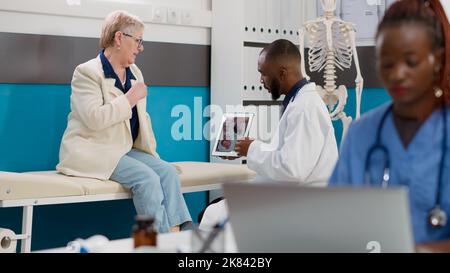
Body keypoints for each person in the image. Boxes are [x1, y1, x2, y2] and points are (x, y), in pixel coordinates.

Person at [56, 10, 192, 233]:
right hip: (94, 150)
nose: (141, 47)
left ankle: (178, 236)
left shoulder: (134, 72)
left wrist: (151, 154)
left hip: (122, 149)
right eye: (138, 40)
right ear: (119, 38)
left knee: (167, 173)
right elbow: (93, 119)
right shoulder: (86, 73)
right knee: (147, 180)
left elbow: (142, 122)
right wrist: (129, 98)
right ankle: (152, 245)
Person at [329, 0, 450, 245]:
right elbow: (335, 222)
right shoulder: (361, 134)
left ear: (436, 60)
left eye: (411, 62)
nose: (397, 74)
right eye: (387, 63)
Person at [199, 39, 339, 228]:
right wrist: (246, 147)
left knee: (213, 216)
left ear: (282, 73)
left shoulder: (304, 108)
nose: (261, 80)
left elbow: (293, 169)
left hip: (300, 202)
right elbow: (287, 153)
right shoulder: (298, 102)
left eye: (263, 73)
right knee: (216, 208)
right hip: (291, 194)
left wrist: (252, 150)